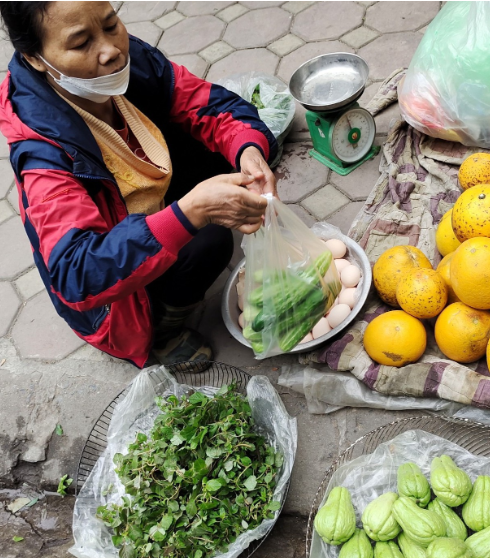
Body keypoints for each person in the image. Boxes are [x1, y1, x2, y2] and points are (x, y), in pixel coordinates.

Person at [0, 1, 278, 369]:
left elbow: (206, 104)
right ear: (35, 58)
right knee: (210, 241)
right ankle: (162, 329)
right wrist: (190, 213)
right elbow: (77, 274)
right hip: (111, 301)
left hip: (138, 200)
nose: (111, 50)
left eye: (111, 24)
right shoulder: (43, 154)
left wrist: (249, 150)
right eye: (81, 43)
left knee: (223, 150)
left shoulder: (130, 62)